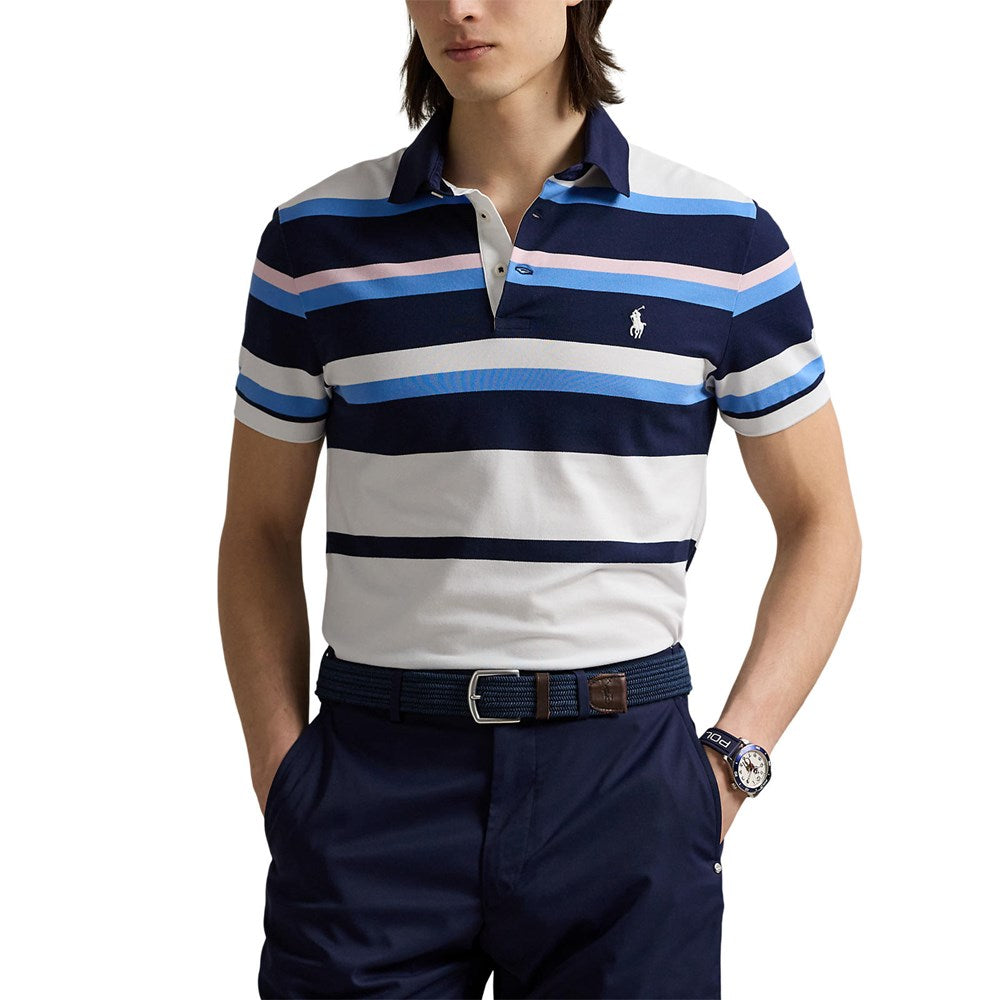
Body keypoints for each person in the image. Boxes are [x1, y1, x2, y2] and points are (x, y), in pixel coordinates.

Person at [217, 1, 862, 997]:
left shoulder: (723, 242)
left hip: (623, 782)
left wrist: (733, 762)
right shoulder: (315, 241)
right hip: (371, 787)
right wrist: (282, 773)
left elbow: (822, 522)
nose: (458, 9)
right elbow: (258, 529)